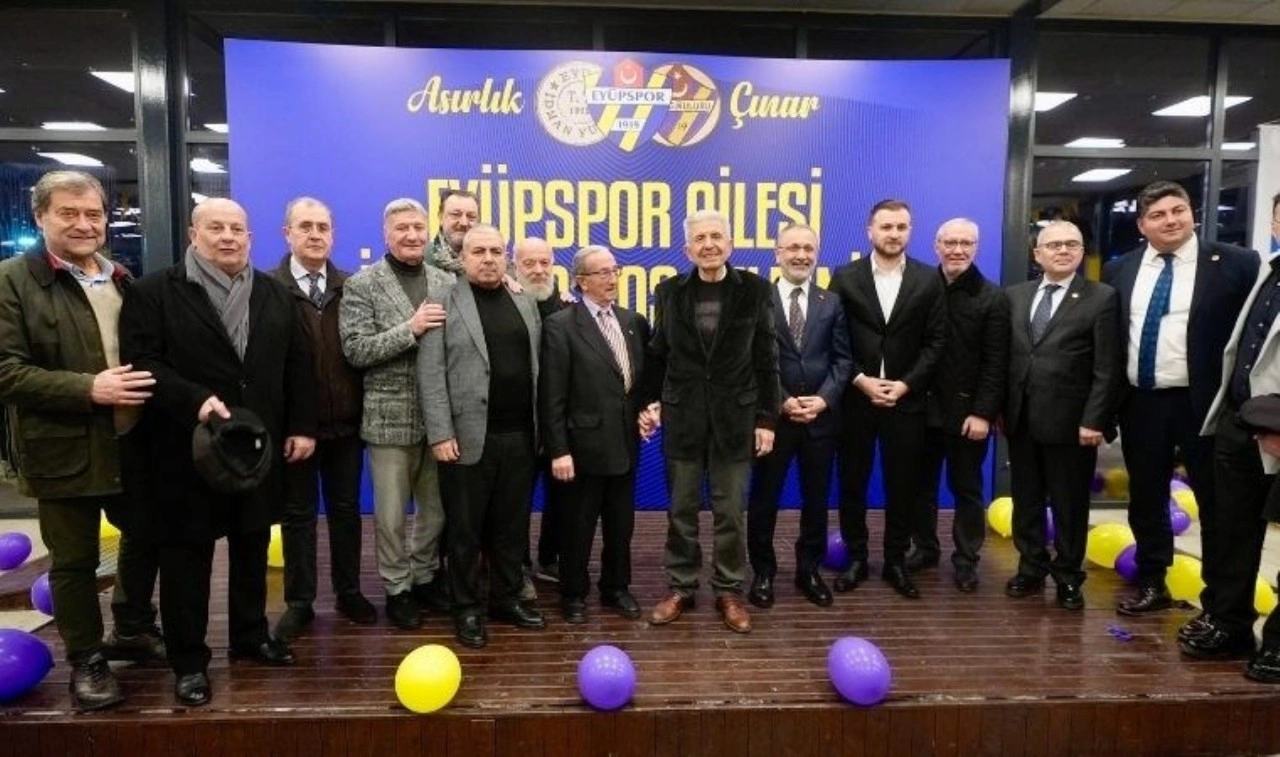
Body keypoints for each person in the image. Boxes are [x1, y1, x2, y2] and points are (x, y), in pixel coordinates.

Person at [120, 197, 316, 706]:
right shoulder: (153, 292)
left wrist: (301, 426)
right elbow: (142, 362)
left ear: (250, 237)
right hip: (184, 449)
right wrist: (194, 400)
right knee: (187, 561)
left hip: (255, 446)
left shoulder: (274, 294)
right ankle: (189, 662)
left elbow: (297, 366)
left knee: (252, 545)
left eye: (237, 229)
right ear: (193, 234)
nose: (228, 236)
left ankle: (251, 636)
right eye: (216, 228)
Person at [0, 170, 163, 711]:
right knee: (74, 561)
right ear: (40, 217)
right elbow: (5, 371)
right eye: (68, 213)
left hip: (132, 441)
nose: (83, 224)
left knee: (146, 537)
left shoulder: (121, 278)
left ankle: (132, 629)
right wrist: (88, 388)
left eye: (93, 214)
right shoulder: (12, 281)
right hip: (62, 448)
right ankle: (87, 660)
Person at [1102, 181, 1255, 617]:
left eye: (1178, 210)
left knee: (1217, 502)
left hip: (1205, 405)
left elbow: (1252, 337)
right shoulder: (1120, 270)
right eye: (1158, 215)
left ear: (1192, 213)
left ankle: (1218, 600)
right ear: (1141, 225)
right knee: (1146, 497)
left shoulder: (1237, 263)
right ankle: (1153, 582)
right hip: (1141, 402)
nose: (1170, 220)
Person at [645, 209, 779, 634]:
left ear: (730, 244)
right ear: (687, 249)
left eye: (716, 237)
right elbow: (659, 353)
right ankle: (681, 586)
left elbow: (766, 359)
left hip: (736, 420)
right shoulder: (669, 292)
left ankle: (729, 590)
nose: (709, 245)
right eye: (700, 239)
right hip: (683, 418)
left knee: (730, 513)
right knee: (681, 511)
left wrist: (767, 419)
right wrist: (650, 402)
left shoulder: (756, 290)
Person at [420, 224, 546, 649]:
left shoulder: (523, 300)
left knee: (511, 528)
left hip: (521, 436)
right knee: (465, 531)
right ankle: (467, 608)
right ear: (463, 258)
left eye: (496, 251)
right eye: (479, 251)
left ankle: (506, 599)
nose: (488, 258)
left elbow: (536, 367)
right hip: (465, 438)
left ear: (506, 256)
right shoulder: (441, 301)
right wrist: (440, 433)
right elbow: (431, 373)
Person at [339, 198, 454, 631]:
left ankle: (425, 577)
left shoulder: (445, 280)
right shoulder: (363, 283)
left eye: (418, 227)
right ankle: (397, 588)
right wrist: (411, 328)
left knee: (436, 511)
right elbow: (355, 349)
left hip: (440, 419)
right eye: (402, 228)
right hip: (388, 419)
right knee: (390, 517)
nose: (411, 235)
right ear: (386, 234)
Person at [269, 197, 377, 641]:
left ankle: (349, 592)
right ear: (287, 234)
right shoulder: (269, 288)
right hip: (296, 430)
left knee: (347, 512)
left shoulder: (352, 287)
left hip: (346, 425)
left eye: (323, 227)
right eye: (306, 226)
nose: (315, 235)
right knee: (298, 515)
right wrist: (292, 425)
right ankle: (300, 602)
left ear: (333, 235)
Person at [828, 199, 947, 600]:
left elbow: (936, 342)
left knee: (903, 486)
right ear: (870, 231)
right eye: (886, 227)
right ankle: (857, 558)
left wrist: (905, 384)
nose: (894, 234)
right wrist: (860, 380)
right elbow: (833, 338)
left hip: (906, 402)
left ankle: (896, 560)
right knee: (852, 483)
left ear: (909, 231)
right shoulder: (845, 277)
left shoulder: (929, 279)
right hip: (855, 399)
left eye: (901, 227)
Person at [1003, 220, 1119, 612]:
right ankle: (1031, 567)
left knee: (1069, 505)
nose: (1063, 251)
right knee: (1026, 500)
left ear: (1082, 252)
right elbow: (1007, 358)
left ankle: (1068, 576)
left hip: (1072, 424)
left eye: (1072, 244)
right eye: (1054, 245)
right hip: (1021, 420)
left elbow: (1107, 367)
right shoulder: (1015, 296)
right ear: (1037, 254)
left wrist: (1095, 419)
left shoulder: (1101, 297)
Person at [1182, 193, 1274, 675]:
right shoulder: (1267, 272)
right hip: (1240, 424)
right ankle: (1231, 621)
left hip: (1277, 429)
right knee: (1233, 530)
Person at [540, 244, 650, 624]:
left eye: (614, 270)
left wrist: (648, 409)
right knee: (577, 527)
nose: (612, 278)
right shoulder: (561, 325)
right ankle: (573, 593)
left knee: (621, 526)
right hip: (580, 449)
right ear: (581, 281)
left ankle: (616, 587)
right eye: (602, 272)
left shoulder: (633, 321)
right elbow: (551, 394)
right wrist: (558, 450)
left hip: (625, 445)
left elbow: (639, 383)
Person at [746, 223, 852, 609]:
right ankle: (763, 572)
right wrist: (782, 400)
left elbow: (843, 360)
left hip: (820, 420)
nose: (801, 255)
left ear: (816, 254)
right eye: (793, 248)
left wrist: (823, 400)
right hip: (773, 421)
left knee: (817, 499)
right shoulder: (759, 301)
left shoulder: (831, 302)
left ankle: (809, 570)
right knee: (764, 499)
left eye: (808, 249)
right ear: (777, 253)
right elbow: (751, 361)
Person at [910, 218, 1009, 593]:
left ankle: (966, 560)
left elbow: (996, 363)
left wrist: (983, 413)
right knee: (921, 487)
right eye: (950, 242)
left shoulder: (991, 298)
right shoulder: (921, 288)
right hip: (921, 409)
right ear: (936, 246)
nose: (957, 250)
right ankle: (925, 549)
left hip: (968, 414)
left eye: (966, 243)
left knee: (966, 489)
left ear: (976, 248)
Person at [513, 236, 572, 591]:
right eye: (529, 263)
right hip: (517, 423)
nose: (538, 270)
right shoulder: (502, 301)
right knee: (515, 501)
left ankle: (550, 558)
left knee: (562, 498)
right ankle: (517, 565)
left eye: (544, 263)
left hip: (559, 423)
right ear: (514, 266)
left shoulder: (568, 307)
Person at [426, 188, 479, 276]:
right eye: (456, 214)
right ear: (440, 217)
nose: (464, 223)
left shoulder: (490, 262)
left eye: (471, 216)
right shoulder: (421, 259)